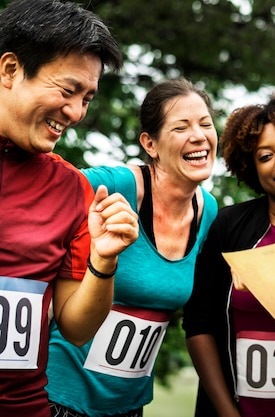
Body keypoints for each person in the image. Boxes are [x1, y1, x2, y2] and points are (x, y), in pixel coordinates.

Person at [44, 77, 219, 417]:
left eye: (206, 124)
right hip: (58, 397)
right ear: (150, 144)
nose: (198, 136)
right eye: (181, 127)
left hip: (130, 405)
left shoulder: (208, 210)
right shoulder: (116, 185)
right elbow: (43, 186)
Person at [0, 1, 139, 416]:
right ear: (9, 70)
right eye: (67, 90)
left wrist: (104, 261)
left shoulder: (73, 188)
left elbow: (76, 328)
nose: (76, 113)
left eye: (87, 98)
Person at [183, 90, 275, 417]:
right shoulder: (228, 227)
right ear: (251, 169)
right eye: (265, 156)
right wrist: (226, 411)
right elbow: (198, 325)